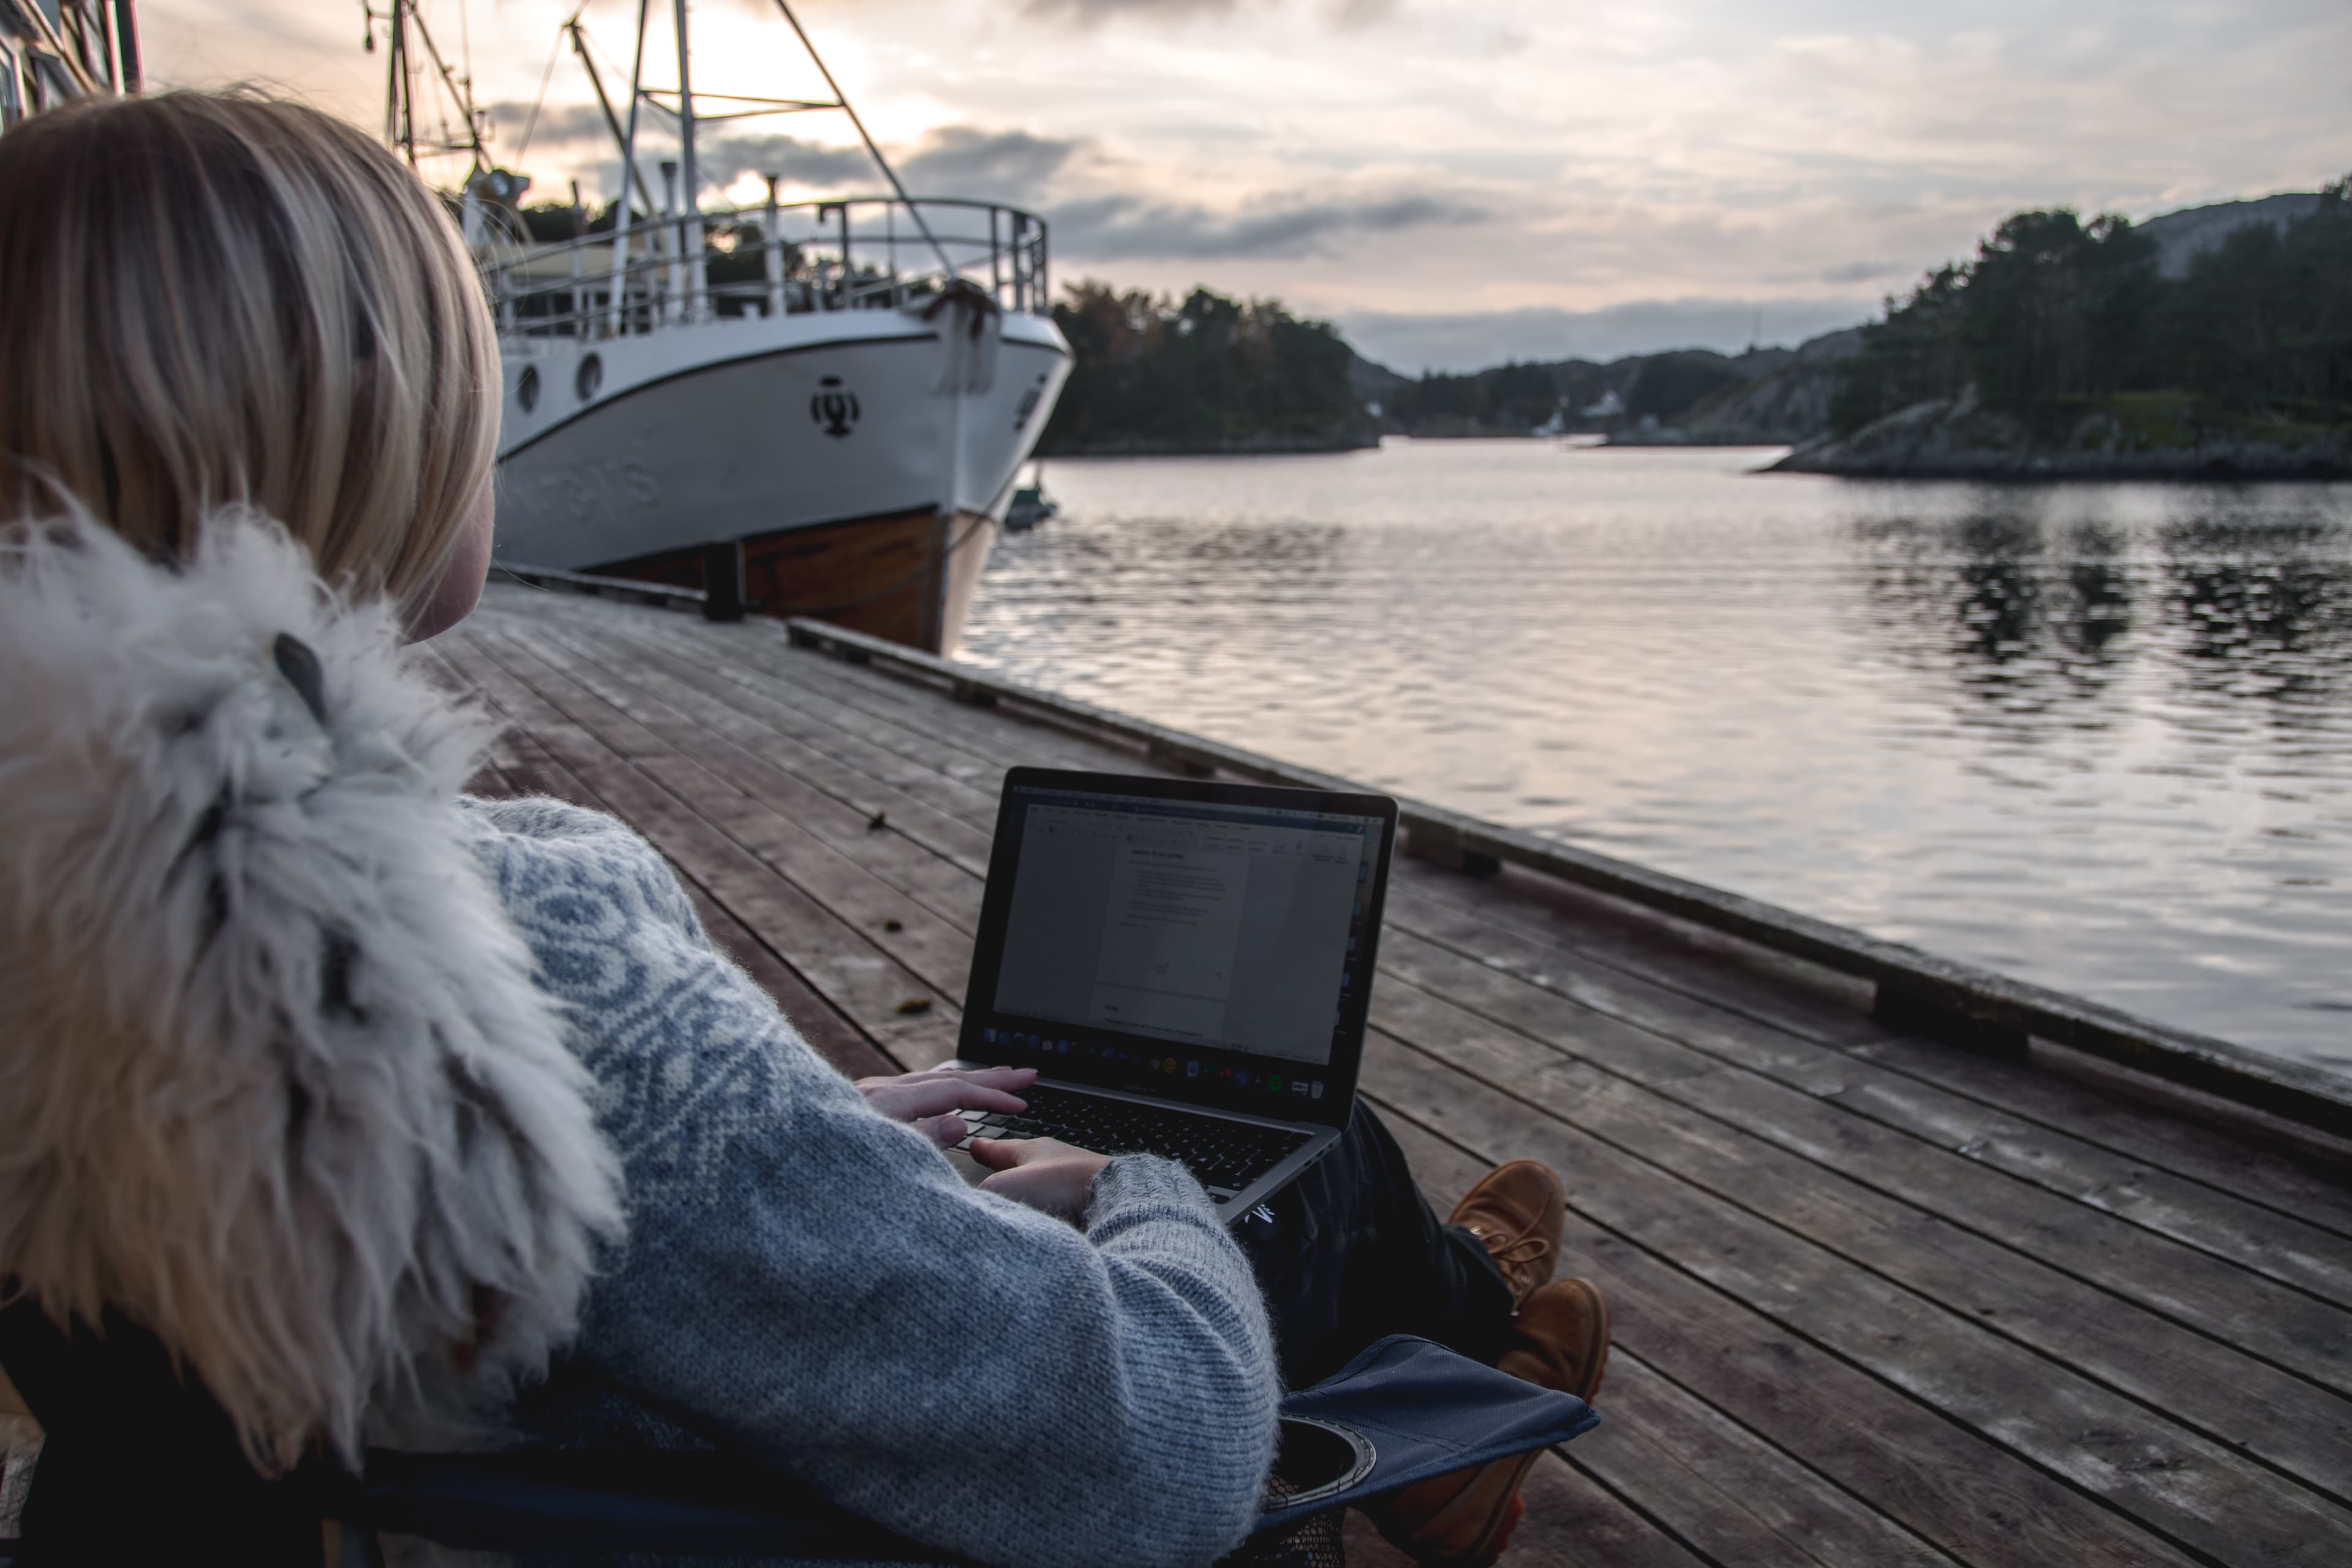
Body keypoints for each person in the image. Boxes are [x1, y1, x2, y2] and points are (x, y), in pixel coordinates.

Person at [0, 91, 1607, 1568]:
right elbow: (1160, 1451)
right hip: (799, 1497)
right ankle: (1473, 1365)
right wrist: (1138, 1187)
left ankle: (1463, 1341)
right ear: (364, 433)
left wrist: (790, 1132)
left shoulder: (58, 913)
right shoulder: (536, 947)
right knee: (1313, 1173)